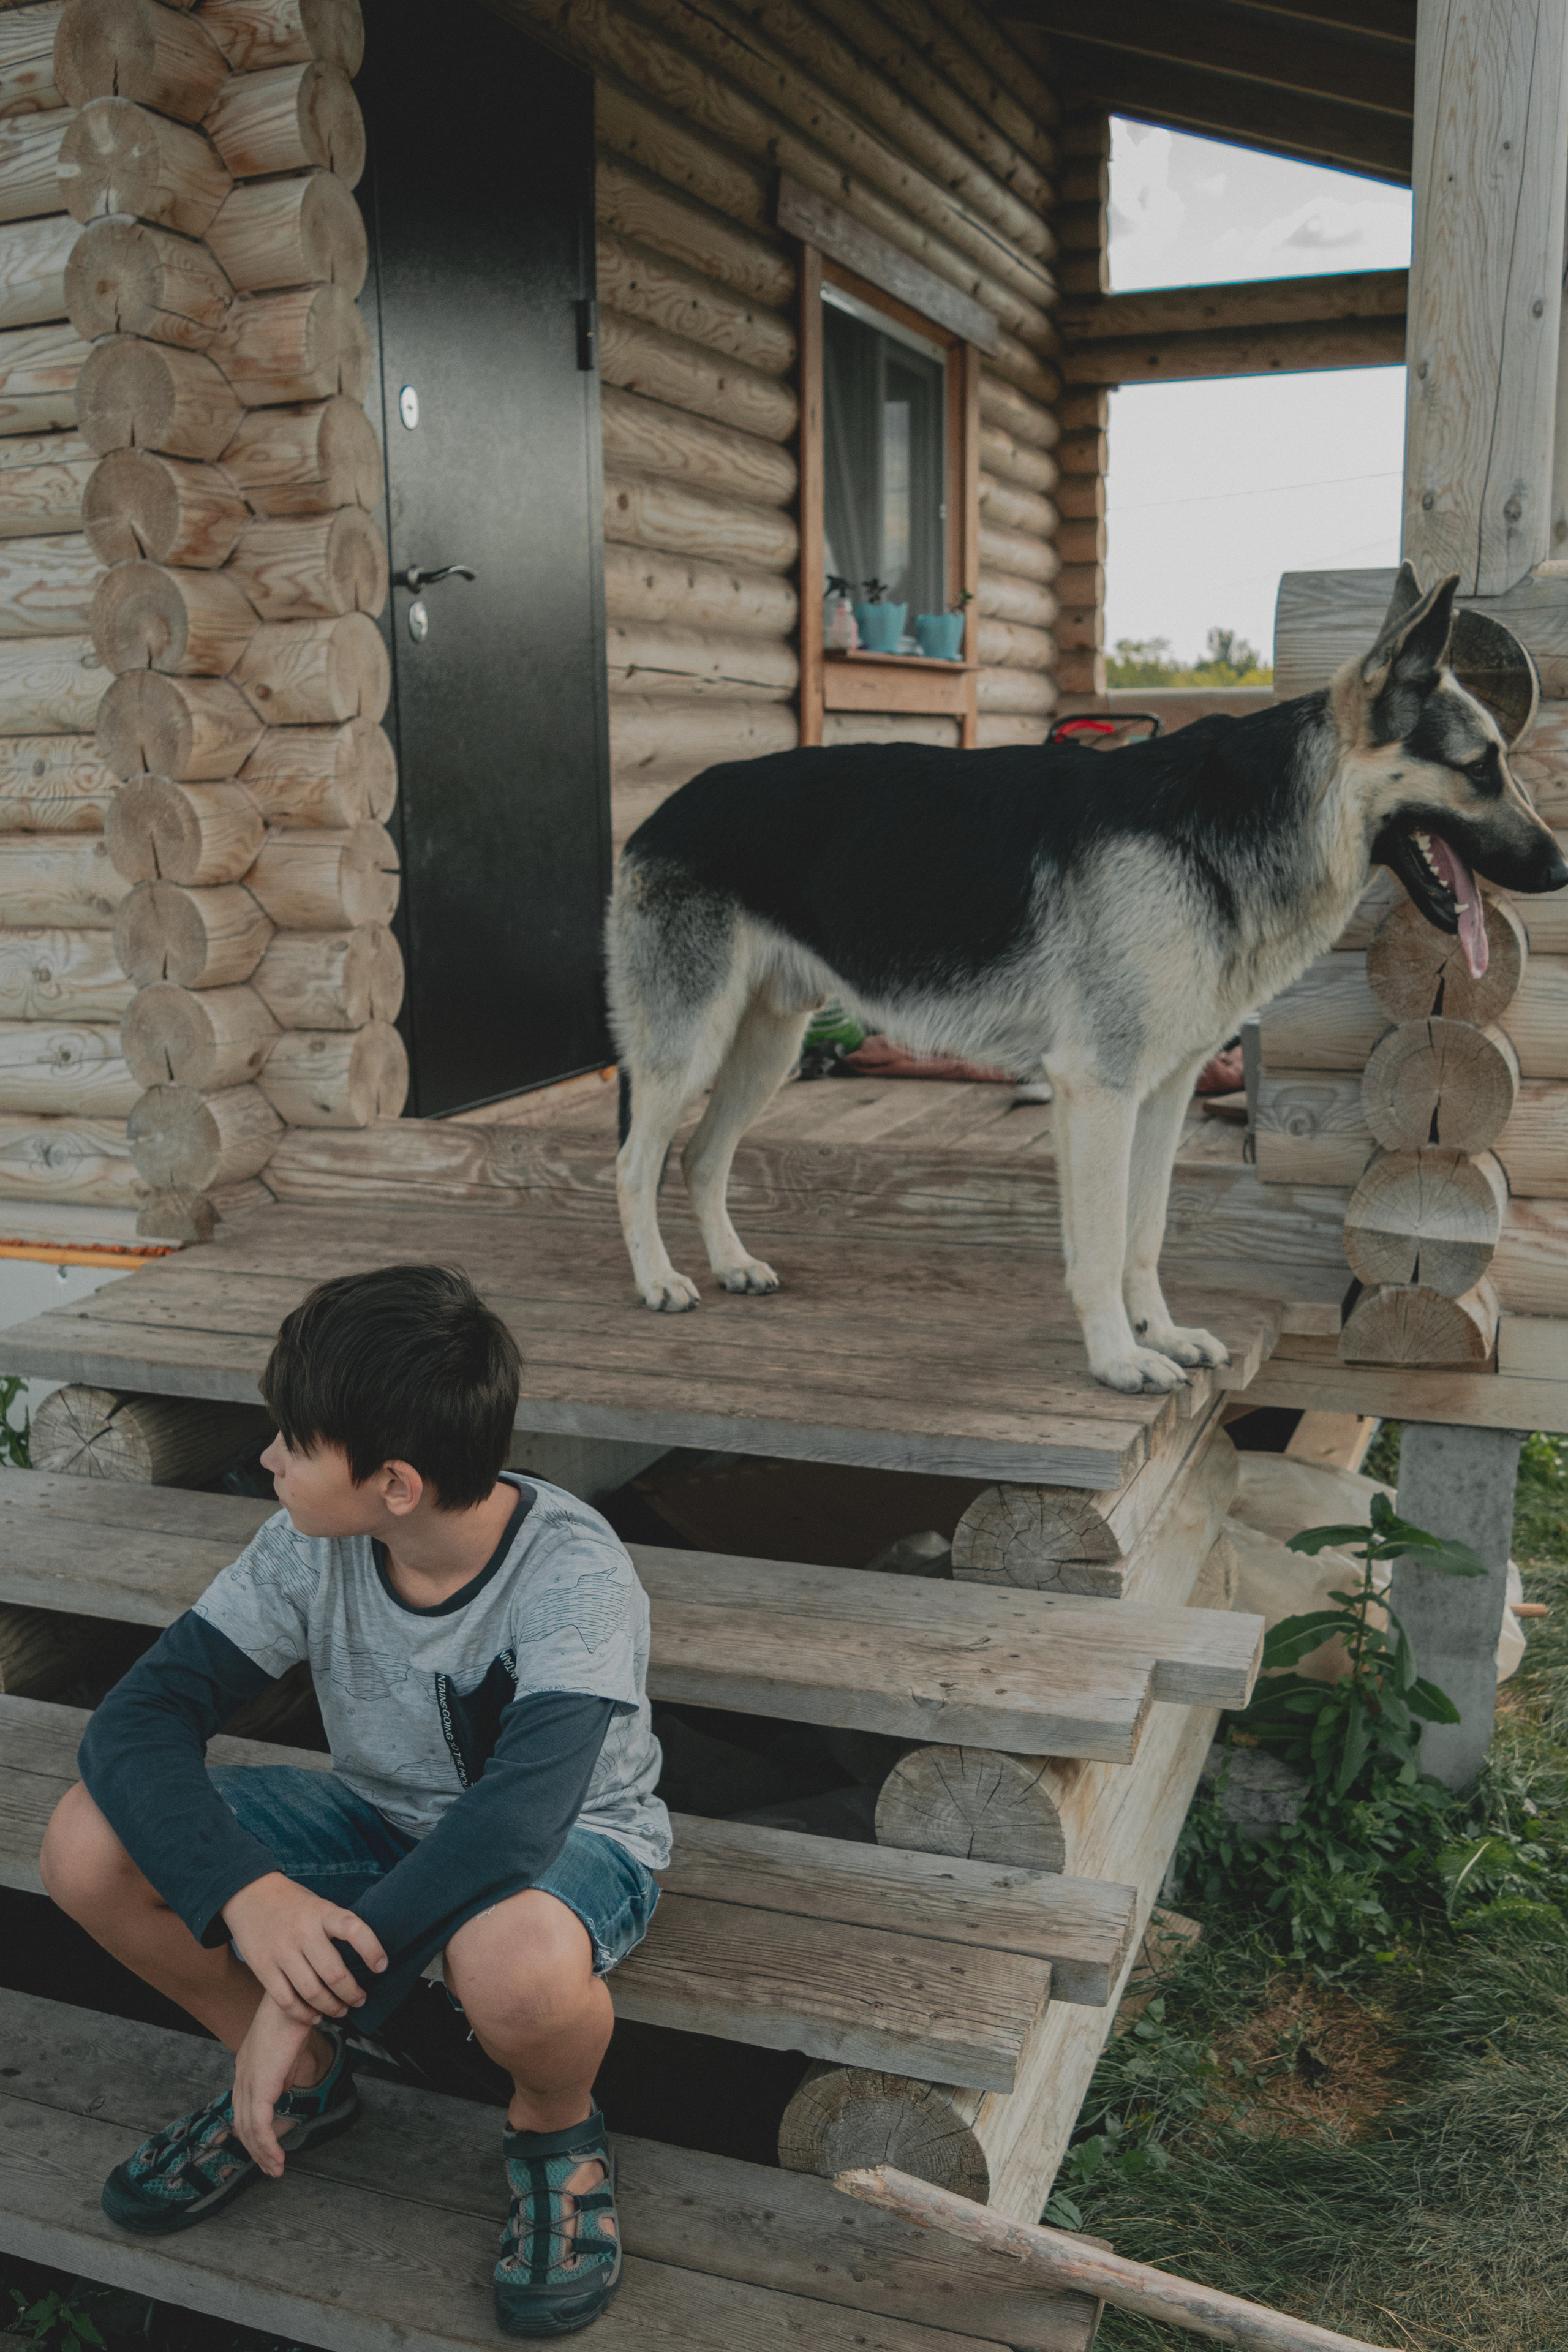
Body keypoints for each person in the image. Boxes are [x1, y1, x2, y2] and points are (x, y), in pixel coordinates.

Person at [40, 1263, 668, 2340]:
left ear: (397, 1484)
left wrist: (303, 1991)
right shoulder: (305, 1546)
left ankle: (557, 2134)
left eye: (295, 1438)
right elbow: (139, 1721)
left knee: (507, 1959)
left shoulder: (575, 1575)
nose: (269, 1456)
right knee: (84, 1842)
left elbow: (520, 1822)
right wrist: (250, 1897)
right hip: (377, 1815)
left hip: (574, 1847)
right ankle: (308, 2086)